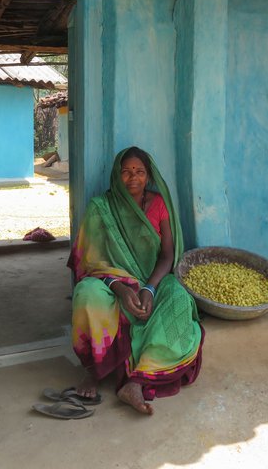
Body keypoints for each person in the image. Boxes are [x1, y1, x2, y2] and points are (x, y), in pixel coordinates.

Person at [67, 146, 204, 415]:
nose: (133, 178)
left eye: (139, 172)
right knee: (86, 294)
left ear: (149, 176)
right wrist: (118, 288)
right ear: (117, 175)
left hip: (152, 280)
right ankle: (93, 371)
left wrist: (150, 289)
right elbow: (90, 262)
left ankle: (137, 381)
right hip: (110, 282)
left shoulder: (159, 204)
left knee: (178, 296)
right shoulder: (101, 208)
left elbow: (167, 255)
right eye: (126, 172)